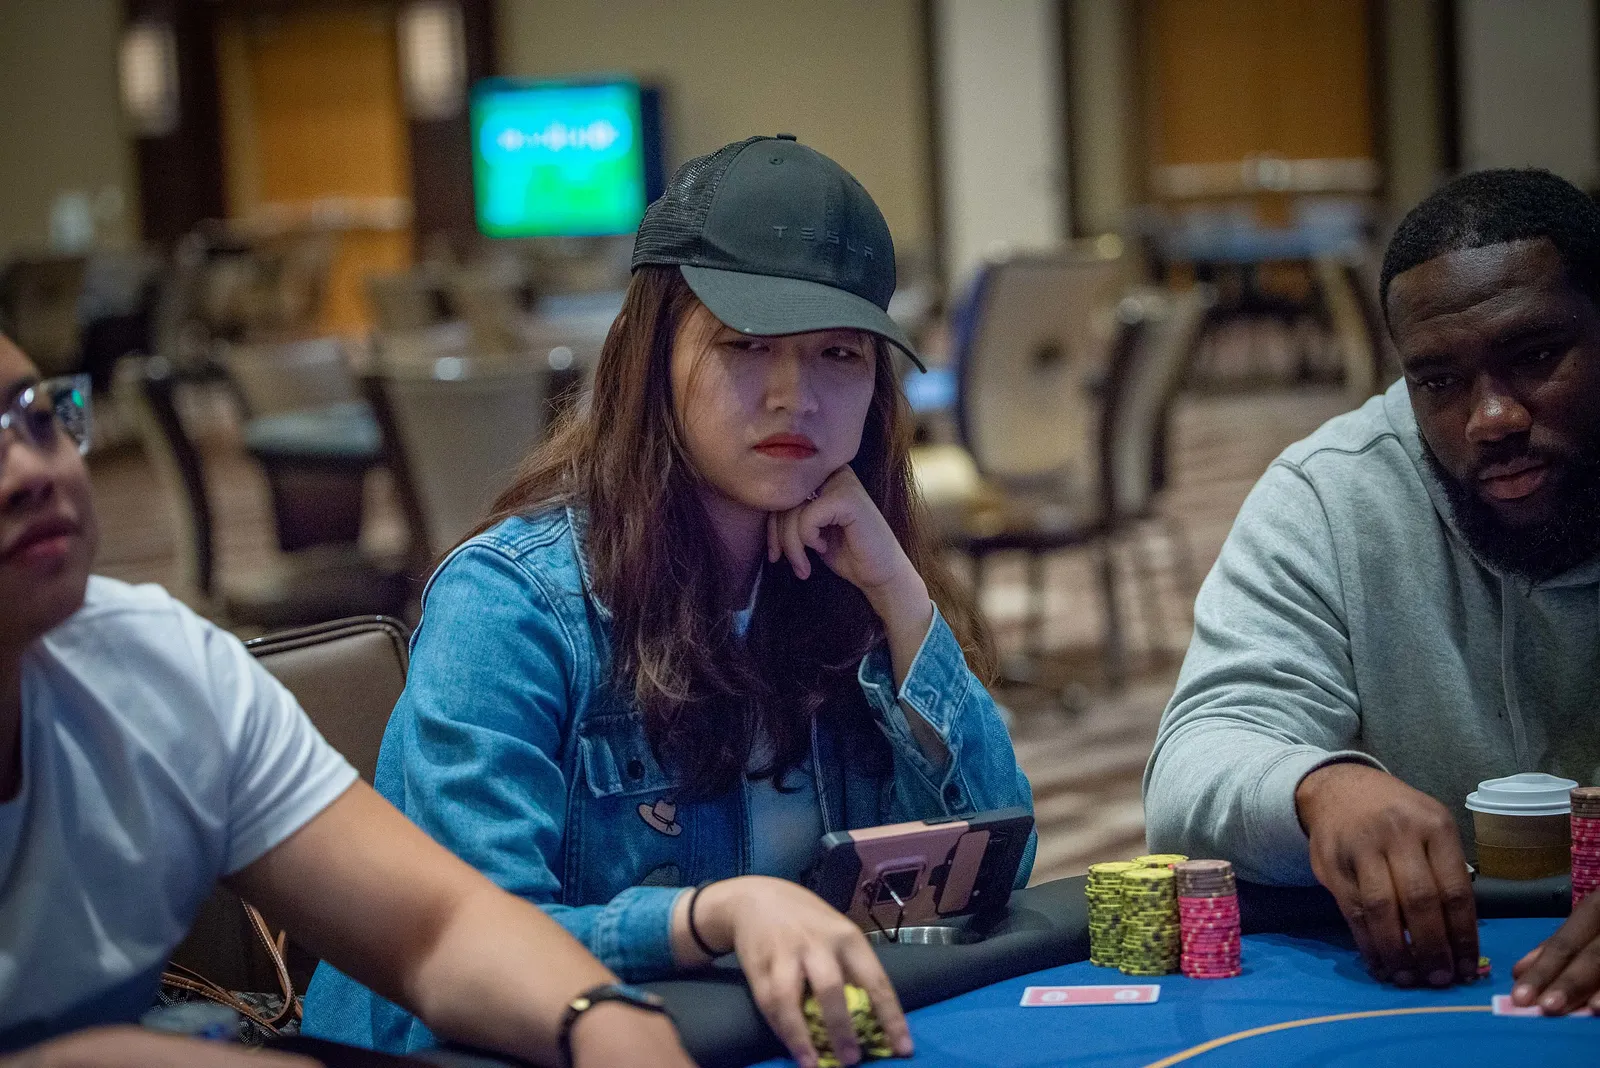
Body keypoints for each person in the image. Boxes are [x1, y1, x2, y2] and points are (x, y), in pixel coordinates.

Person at [303, 135, 1035, 1068]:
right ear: (654, 357)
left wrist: (902, 602)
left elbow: (996, 871)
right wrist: (710, 917)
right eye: (746, 345)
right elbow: (474, 942)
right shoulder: (512, 606)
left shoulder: (850, 587)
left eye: (838, 354)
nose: (795, 396)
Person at [0, 335, 695, 1067]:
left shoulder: (156, 665)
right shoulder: (512, 595)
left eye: (37, 417)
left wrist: (594, 1014)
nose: (30, 471)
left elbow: (440, 926)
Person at [1143, 168, 1600, 1016]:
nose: (1492, 417)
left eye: (1536, 356)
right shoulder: (1330, 493)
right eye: (1439, 381)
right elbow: (1193, 766)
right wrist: (1318, 786)